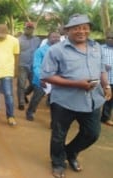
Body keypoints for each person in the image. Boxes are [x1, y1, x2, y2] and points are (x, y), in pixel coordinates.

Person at [40, 14, 111, 178]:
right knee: (59, 135)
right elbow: (47, 76)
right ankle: (58, 163)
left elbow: (101, 70)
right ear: (67, 30)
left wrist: (106, 85)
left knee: (92, 133)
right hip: (64, 102)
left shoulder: (96, 47)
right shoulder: (56, 50)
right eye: (76, 28)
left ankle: (70, 152)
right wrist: (76, 84)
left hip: (92, 100)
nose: (81, 31)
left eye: (85, 27)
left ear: (90, 29)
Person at [26, 31, 61, 121]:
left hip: (57, 81)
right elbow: (36, 66)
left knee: (55, 103)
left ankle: (54, 121)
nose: (56, 39)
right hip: (42, 80)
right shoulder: (40, 51)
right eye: (53, 37)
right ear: (48, 38)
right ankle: (30, 112)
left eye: (58, 37)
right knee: (36, 99)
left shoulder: (62, 51)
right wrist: (42, 78)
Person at [17, 22, 41, 110]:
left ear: (33, 29)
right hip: (22, 65)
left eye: (31, 28)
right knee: (21, 84)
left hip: (33, 66)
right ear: (24, 29)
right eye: (27, 28)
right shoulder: (18, 40)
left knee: (34, 83)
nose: (29, 30)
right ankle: (21, 102)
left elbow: (39, 52)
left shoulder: (37, 40)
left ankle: (25, 93)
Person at [100, 31, 113, 126]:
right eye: (108, 37)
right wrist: (103, 66)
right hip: (104, 80)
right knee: (101, 98)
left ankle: (105, 117)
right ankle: (103, 118)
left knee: (110, 100)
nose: (110, 39)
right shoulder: (100, 48)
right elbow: (94, 61)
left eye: (112, 38)